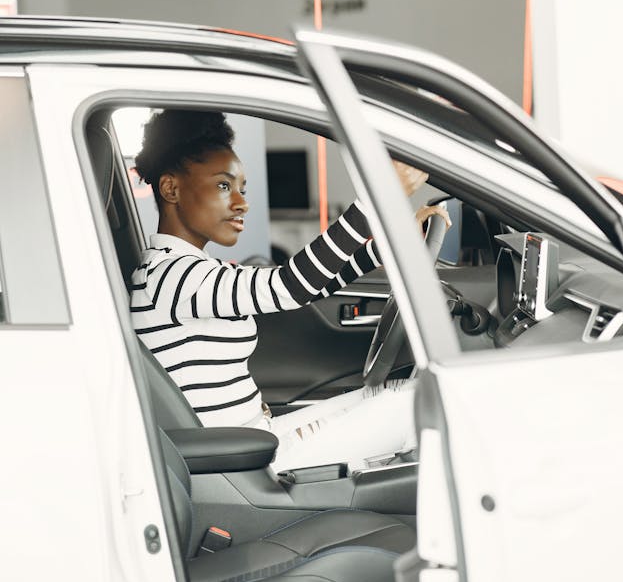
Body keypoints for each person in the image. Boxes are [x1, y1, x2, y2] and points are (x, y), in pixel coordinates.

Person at [129, 108, 448, 472]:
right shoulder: (171, 277)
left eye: (242, 189)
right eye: (223, 185)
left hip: (255, 439)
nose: (241, 202)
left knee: (389, 394)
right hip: (241, 464)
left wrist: (382, 249)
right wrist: (377, 197)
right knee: (420, 406)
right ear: (171, 188)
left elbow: (310, 287)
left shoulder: (187, 269)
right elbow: (291, 285)